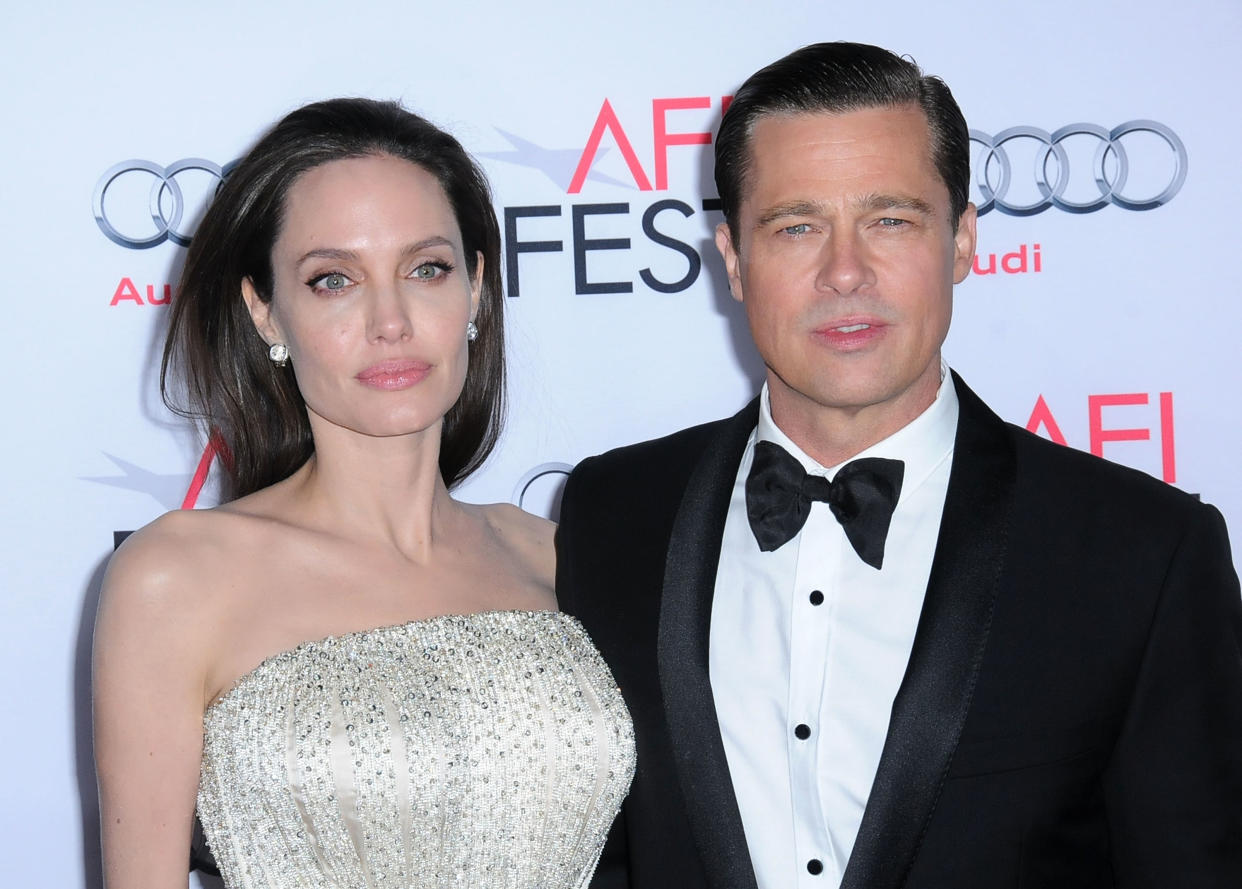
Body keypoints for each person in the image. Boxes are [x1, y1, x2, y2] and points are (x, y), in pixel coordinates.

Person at [555, 42, 1242, 889]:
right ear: (733, 259)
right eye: (797, 226)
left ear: (961, 241)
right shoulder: (613, 514)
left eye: (890, 220)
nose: (845, 271)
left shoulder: (1145, 553)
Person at [92, 98, 634, 889]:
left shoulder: (553, 553)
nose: (390, 320)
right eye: (334, 280)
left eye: (426, 269)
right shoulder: (175, 576)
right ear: (265, 311)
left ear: (476, 288)